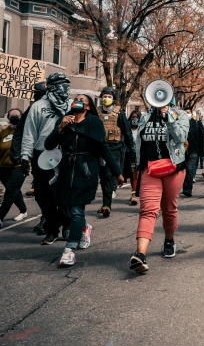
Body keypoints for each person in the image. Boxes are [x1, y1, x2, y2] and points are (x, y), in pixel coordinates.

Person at [44, 95, 124, 267]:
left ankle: (69, 250)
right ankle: (85, 227)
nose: (76, 101)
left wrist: (117, 172)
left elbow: (103, 148)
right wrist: (60, 127)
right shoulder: (64, 120)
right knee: (66, 206)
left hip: (85, 170)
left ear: (87, 107)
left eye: (81, 99)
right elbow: (48, 145)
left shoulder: (94, 123)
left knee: (76, 209)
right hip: (66, 170)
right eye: (75, 98)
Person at [129, 96, 189, 274]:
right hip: (150, 168)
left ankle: (169, 240)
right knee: (148, 210)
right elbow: (137, 140)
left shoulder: (180, 115)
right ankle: (140, 254)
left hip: (173, 168)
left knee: (169, 208)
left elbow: (181, 137)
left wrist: (168, 116)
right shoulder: (145, 117)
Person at [21, 72, 71, 244]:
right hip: (41, 155)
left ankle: (67, 224)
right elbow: (29, 133)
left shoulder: (72, 105)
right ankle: (51, 228)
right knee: (43, 195)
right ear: (49, 86)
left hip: (65, 155)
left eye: (66, 83)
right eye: (59, 83)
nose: (63, 87)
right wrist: (24, 157)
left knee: (64, 193)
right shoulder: (38, 106)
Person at [10, 81, 47, 233]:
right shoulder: (33, 109)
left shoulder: (63, 107)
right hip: (38, 153)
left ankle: (55, 220)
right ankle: (46, 217)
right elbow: (20, 131)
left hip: (58, 155)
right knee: (40, 189)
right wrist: (17, 153)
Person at [98, 86, 135, 218]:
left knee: (108, 176)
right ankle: (106, 200)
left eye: (109, 97)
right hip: (99, 149)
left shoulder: (120, 114)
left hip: (114, 149)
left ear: (113, 99)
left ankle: (106, 205)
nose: (106, 99)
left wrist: (132, 149)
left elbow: (127, 132)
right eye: (104, 96)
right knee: (102, 177)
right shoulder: (96, 113)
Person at [0, 109, 28, 228]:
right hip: (3, 167)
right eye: (12, 115)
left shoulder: (25, 131)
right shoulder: (4, 131)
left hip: (19, 166)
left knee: (10, 192)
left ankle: (0, 216)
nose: (14, 117)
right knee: (14, 190)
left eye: (17, 115)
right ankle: (23, 210)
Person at [183, 112, 204, 197]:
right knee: (181, 171)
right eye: (186, 112)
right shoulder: (179, 121)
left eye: (188, 112)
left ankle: (187, 189)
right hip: (182, 152)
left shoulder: (196, 122)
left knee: (189, 169)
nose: (187, 114)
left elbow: (202, 137)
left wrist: (202, 153)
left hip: (193, 151)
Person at [127, 110, 141, 205]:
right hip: (132, 155)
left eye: (136, 117)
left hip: (141, 154)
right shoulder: (127, 128)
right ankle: (134, 193)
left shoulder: (142, 128)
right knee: (133, 175)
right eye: (133, 117)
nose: (134, 119)